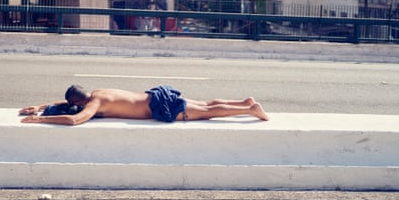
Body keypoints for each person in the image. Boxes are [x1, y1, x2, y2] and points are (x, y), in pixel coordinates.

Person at [19, 84, 269, 125]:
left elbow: (74, 119)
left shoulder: (93, 104)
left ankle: (250, 110)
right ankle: (243, 102)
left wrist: (39, 118)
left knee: (207, 113)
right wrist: (39, 105)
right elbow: (67, 103)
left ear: (77, 102)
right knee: (205, 104)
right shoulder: (98, 91)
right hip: (157, 95)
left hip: (160, 108)